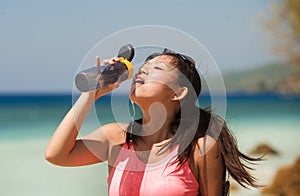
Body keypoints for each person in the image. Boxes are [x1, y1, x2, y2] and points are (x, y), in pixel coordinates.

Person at [45, 49, 261, 196]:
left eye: (157, 69)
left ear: (178, 93)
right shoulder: (117, 139)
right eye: (142, 69)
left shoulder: (200, 148)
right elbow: (57, 155)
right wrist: (90, 95)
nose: (143, 71)